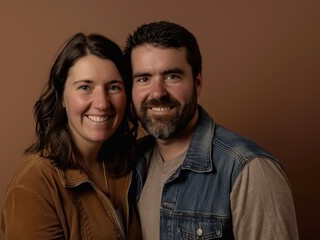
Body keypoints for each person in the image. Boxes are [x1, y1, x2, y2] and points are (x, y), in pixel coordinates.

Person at [124, 21, 299, 239]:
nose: (157, 92)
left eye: (171, 76)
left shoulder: (249, 170)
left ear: (197, 82)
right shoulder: (130, 162)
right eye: (144, 78)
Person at [1, 32, 141, 239]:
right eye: (85, 87)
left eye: (113, 87)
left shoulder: (132, 162)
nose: (102, 103)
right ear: (62, 97)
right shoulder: (34, 183)